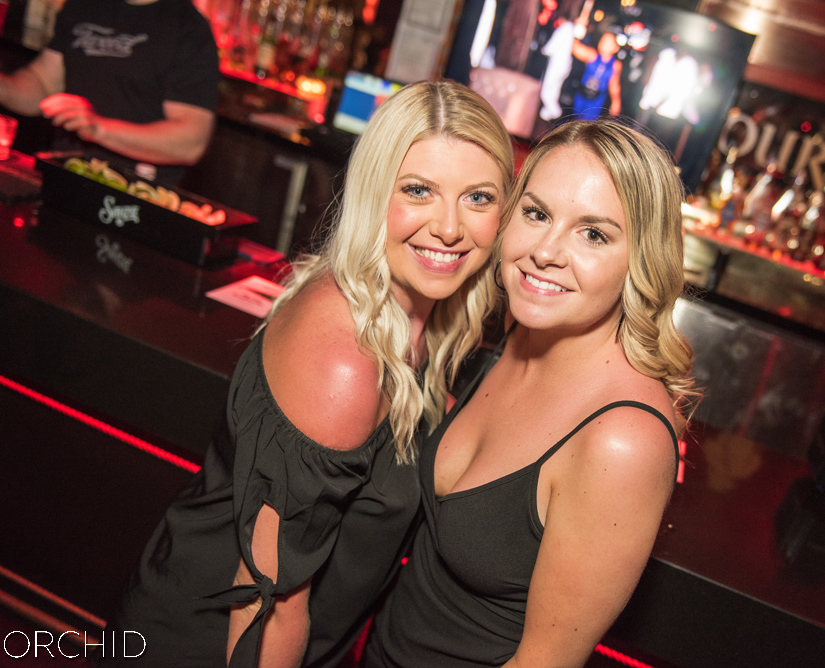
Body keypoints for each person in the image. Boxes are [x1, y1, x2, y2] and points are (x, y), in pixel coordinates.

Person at [103, 80, 514, 667]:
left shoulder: (423, 323)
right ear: (373, 192)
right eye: (418, 190)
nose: (449, 227)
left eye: (477, 197)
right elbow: (268, 607)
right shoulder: (346, 361)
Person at [365, 119, 695, 667]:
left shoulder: (623, 441)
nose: (545, 252)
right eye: (537, 214)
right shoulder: (524, 333)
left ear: (642, 259)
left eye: (593, 234)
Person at [0, 0, 219, 183]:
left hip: (134, 193)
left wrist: (98, 128)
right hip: (65, 174)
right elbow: (43, 83)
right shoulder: (83, 5)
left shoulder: (188, 27)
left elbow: (191, 142)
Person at [571, 31, 622, 121]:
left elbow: (614, 85)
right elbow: (575, 48)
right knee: (575, 121)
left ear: (616, 48)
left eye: (608, 43)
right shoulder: (592, 55)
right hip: (582, 94)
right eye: (602, 40)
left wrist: (616, 101)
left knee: (586, 124)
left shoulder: (615, 65)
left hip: (596, 100)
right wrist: (579, 32)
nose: (604, 44)